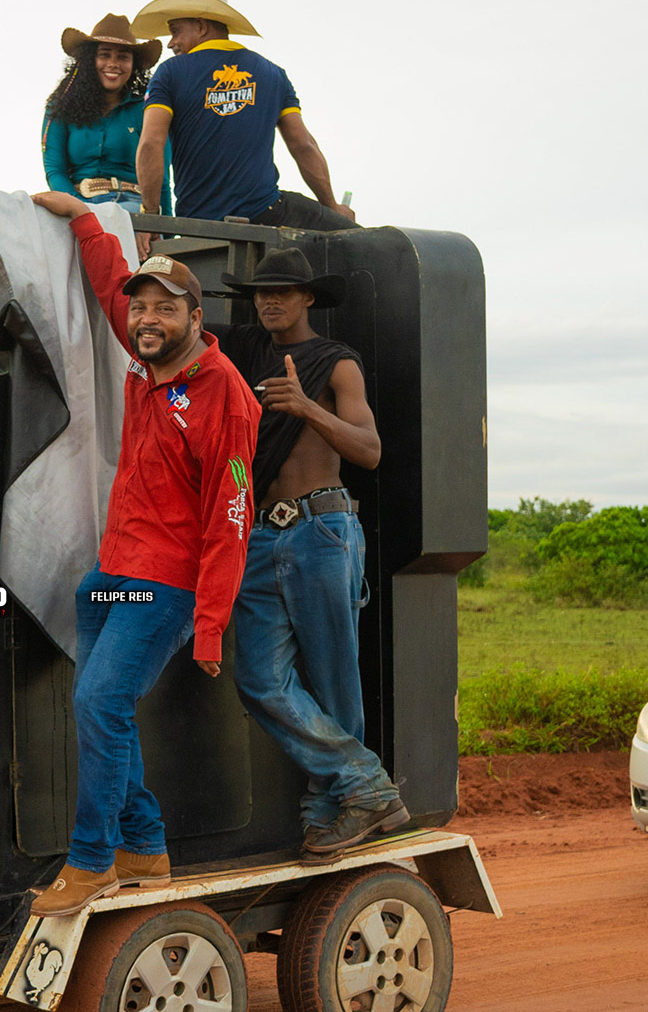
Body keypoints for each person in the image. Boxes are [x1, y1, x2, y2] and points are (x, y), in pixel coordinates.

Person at [26, 190, 260, 916]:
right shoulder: (145, 358)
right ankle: (144, 845)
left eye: (165, 309)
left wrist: (211, 623)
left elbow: (232, 516)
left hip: (166, 586)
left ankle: (92, 860)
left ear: (196, 317)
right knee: (102, 709)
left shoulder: (224, 395)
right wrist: (83, 220)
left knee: (101, 701)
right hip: (113, 574)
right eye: (143, 308)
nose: (147, 319)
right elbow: (108, 289)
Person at [215, 248, 407, 857]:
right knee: (258, 679)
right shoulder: (243, 349)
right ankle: (364, 784)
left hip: (321, 529)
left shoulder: (336, 362)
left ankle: (336, 808)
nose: (269, 300)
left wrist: (304, 406)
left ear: (308, 298)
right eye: (261, 291)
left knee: (333, 680)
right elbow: (174, 324)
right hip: (257, 535)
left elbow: (370, 450)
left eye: (283, 291)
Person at [129, 0, 358, 260]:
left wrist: (150, 216)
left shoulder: (170, 73)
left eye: (175, 31)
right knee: (362, 241)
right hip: (267, 213)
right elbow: (303, 145)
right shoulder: (273, 73)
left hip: (198, 223)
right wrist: (332, 206)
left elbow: (151, 143)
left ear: (201, 26)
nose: (170, 43)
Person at [40, 14, 171, 214]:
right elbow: (54, 170)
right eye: (104, 55)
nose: (113, 63)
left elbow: (161, 180)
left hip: (134, 207)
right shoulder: (60, 105)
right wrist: (80, 209)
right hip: (76, 202)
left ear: (134, 65)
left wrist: (167, 228)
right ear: (89, 60)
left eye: (123, 57)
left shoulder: (147, 110)